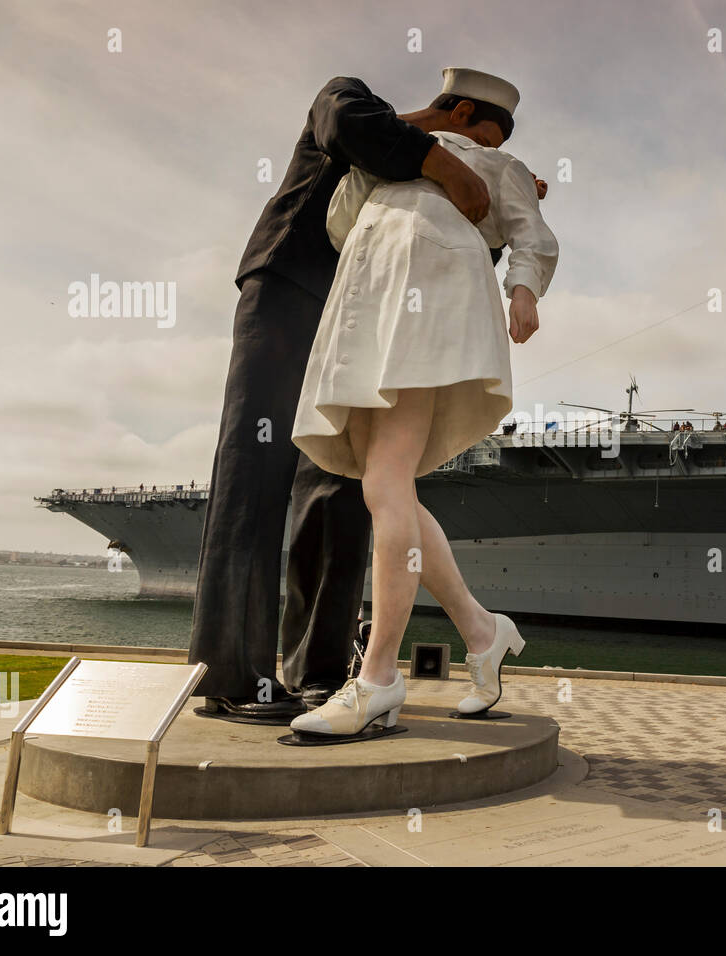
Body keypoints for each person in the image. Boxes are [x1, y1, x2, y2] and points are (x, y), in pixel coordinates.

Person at [189, 72, 534, 723]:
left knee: (344, 493)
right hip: (291, 289)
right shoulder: (357, 103)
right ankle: (232, 674)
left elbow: (442, 251)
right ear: (457, 110)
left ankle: (319, 673)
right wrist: (448, 166)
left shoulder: (438, 173)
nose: (474, 155)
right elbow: (345, 121)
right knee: (252, 473)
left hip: (366, 321)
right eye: (478, 137)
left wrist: (490, 202)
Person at [289, 68, 558, 737]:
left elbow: (529, 233)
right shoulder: (395, 157)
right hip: (369, 301)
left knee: (384, 482)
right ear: (461, 112)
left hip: (430, 298)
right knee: (393, 487)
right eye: (483, 132)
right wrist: (409, 138)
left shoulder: (501, 166)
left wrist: (522, 288)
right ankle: (482, 629)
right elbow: (342, 219)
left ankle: (378, 677)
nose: (487, 146)